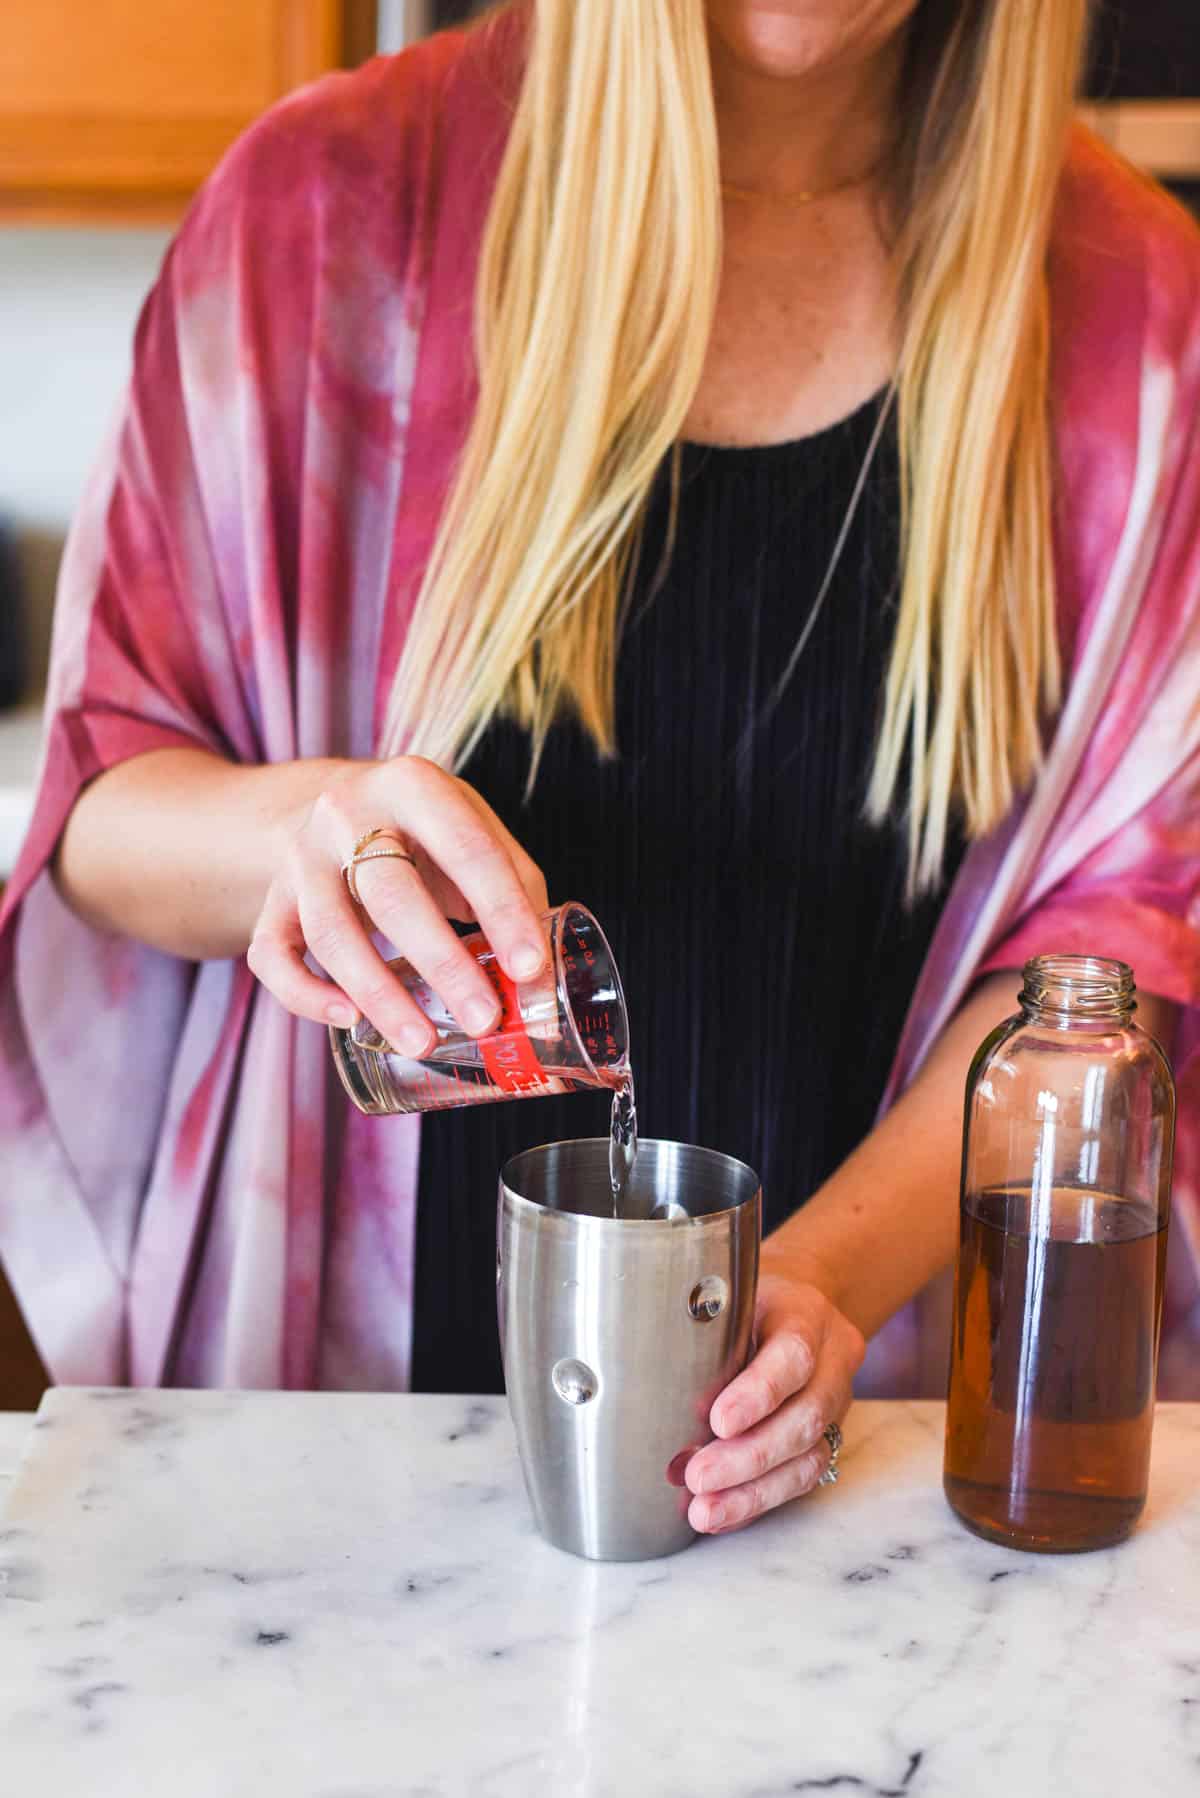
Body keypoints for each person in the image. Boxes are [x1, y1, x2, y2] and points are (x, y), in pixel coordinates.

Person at [2, 0, 1198, 1538]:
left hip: (857, 1467)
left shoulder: (1134, 316)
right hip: (346, 1460)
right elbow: (96, 816)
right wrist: (300, 832)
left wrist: (814, 1283)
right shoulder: (320, 215)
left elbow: (1107, 963)